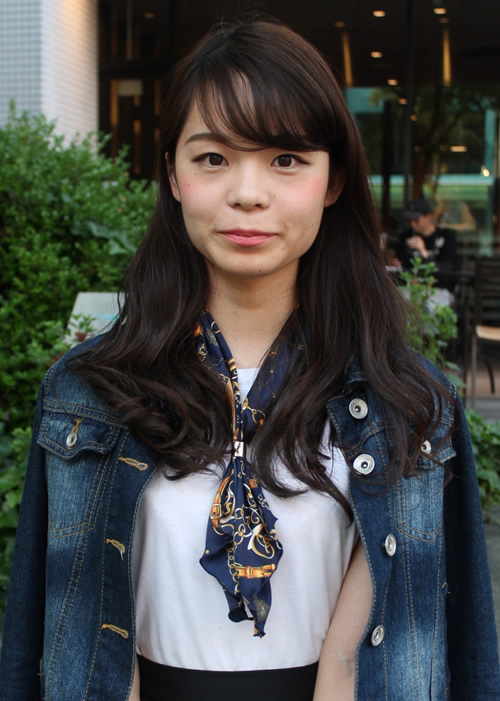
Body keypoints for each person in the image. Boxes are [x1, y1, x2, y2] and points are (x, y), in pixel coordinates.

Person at [0, 18, 498, 701]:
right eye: (212, 158)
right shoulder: (86, 392)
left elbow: (466, 647)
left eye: (286, 159)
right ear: (173, 174)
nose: (248, 193)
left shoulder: (409, 403)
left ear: (333, 180)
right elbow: (36, 632)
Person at [396, 197, 458, 307]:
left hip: (437, 289)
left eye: (416, 220)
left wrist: (424, 252)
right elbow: (402, 268)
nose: (412, 224)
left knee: (430, 306)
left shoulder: (446, 237)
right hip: (409, 288)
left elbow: (446, 271)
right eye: (409, 220)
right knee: (399, 304)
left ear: (428, 216)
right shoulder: (405, 237)